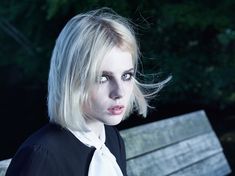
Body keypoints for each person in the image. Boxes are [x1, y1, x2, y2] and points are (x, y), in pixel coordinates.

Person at [6, 8, 170, 176]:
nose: (119, 92)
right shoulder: (41, 156)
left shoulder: (112, 139)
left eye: (126, 75)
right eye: (103, 78)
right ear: (72, 80)